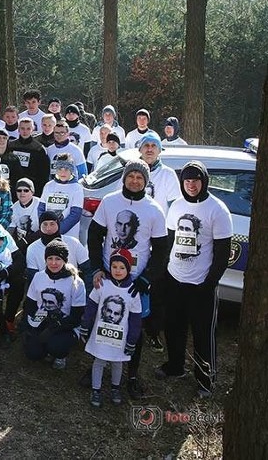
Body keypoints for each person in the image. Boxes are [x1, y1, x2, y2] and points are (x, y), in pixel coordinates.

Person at [87, 158, 168, 399]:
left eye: (140, 178)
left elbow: (162, 249)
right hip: (108, 273)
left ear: (146, 181)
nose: (134, 181)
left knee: (134, 325)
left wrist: (147, 278)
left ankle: (131, 375)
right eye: (131, 176)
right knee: (104, 318)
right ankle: (96, 366)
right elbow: (94, 236)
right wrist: (96, 268)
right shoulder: (109, 202)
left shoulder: (154, 209)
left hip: (137, 279)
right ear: (124, 178)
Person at [156, 161, 232, 398]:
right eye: (187, 181)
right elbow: (170, 243)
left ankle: (205, 379)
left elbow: (222, 254)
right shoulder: (176, 206)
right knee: (173, 326)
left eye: (195, 180)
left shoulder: (217, 210)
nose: (191, 185)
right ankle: (175, 366)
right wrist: (166, 275)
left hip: (201, 284)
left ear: (204, 181)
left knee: (202, 333)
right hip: (175, 279)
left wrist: (209, 284)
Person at [78, 249, 142, 407]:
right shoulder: (102, 285)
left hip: (120, 337)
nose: (118, 271)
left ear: (128, 269)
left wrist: (132, 340)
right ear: (109, 267)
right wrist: (85, 325)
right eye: (114, 266)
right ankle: (96, 389)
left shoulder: (133, 291)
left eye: (122, 267)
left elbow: (135, 319)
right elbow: (91, 307)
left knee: (117, 362)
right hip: (101, 334)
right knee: (99, 360)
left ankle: (115, 388)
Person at [22, 239, 86, 370]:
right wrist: (30, 326)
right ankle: (44, 349)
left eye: (58, 259)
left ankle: (59, 355)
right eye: (50, 258)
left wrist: (54, 328)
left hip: (66, 324)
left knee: (56, 346)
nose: (53, 263)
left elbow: (76, 317)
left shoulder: (76, 282)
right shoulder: (38, 277)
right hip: (42, 320)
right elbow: (30, 305)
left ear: (65, 260)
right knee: (32, 353)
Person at [38, 154, 83, 238]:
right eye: (60, 169)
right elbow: (41, 209)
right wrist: (45, 227)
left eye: (66, 169)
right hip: (48, 233)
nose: (63, 172)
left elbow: (75, 214)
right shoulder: (48, 185)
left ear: (71, 170)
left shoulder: (77, 188)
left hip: (68, 235)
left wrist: (57, 231)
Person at [138, 132, 180, 211]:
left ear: (159, 150)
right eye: (146, 145)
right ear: (140, 149)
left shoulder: (168, 174)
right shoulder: (130, 173)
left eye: (154, 145)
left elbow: (175, 208)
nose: (149, 149)